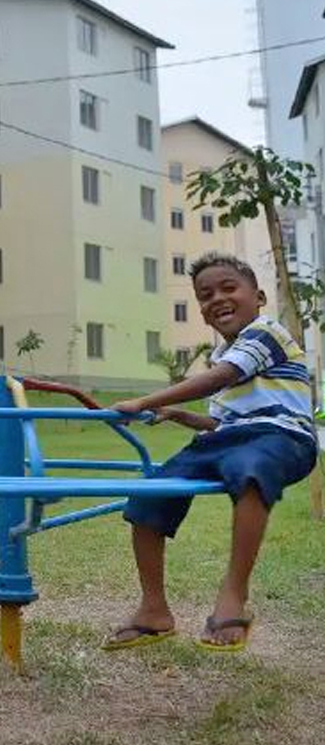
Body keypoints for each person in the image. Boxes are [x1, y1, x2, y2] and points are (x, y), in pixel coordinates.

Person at [104, 252, 317, 653]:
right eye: (205, 294)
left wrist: (145, 401)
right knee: (151, 493)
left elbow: (220, 379)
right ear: (201, 311)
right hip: (229, 440)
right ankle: (153, 610)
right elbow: (225, 423)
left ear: (259, 298)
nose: (217, 298)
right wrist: (183, 415)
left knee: (250, 469)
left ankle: (232, 598)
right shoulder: (224, 355)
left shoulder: (266, 334)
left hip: (283, 438)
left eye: (228, 288)